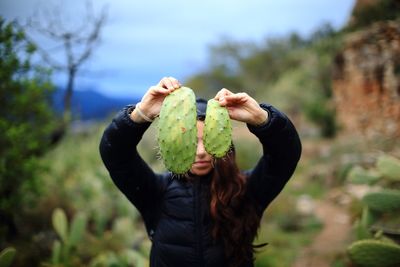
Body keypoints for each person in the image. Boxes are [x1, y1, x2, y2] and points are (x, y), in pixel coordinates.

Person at [99, 77, 302, 267]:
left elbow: (285, 155)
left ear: (224, 141)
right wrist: (139, 115)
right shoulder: (156, 192)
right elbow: (116, 154)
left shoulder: (245, 190)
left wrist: (262, 119)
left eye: (209, 139)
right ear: (172, 140)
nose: (202, 152)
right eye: (190, 140)